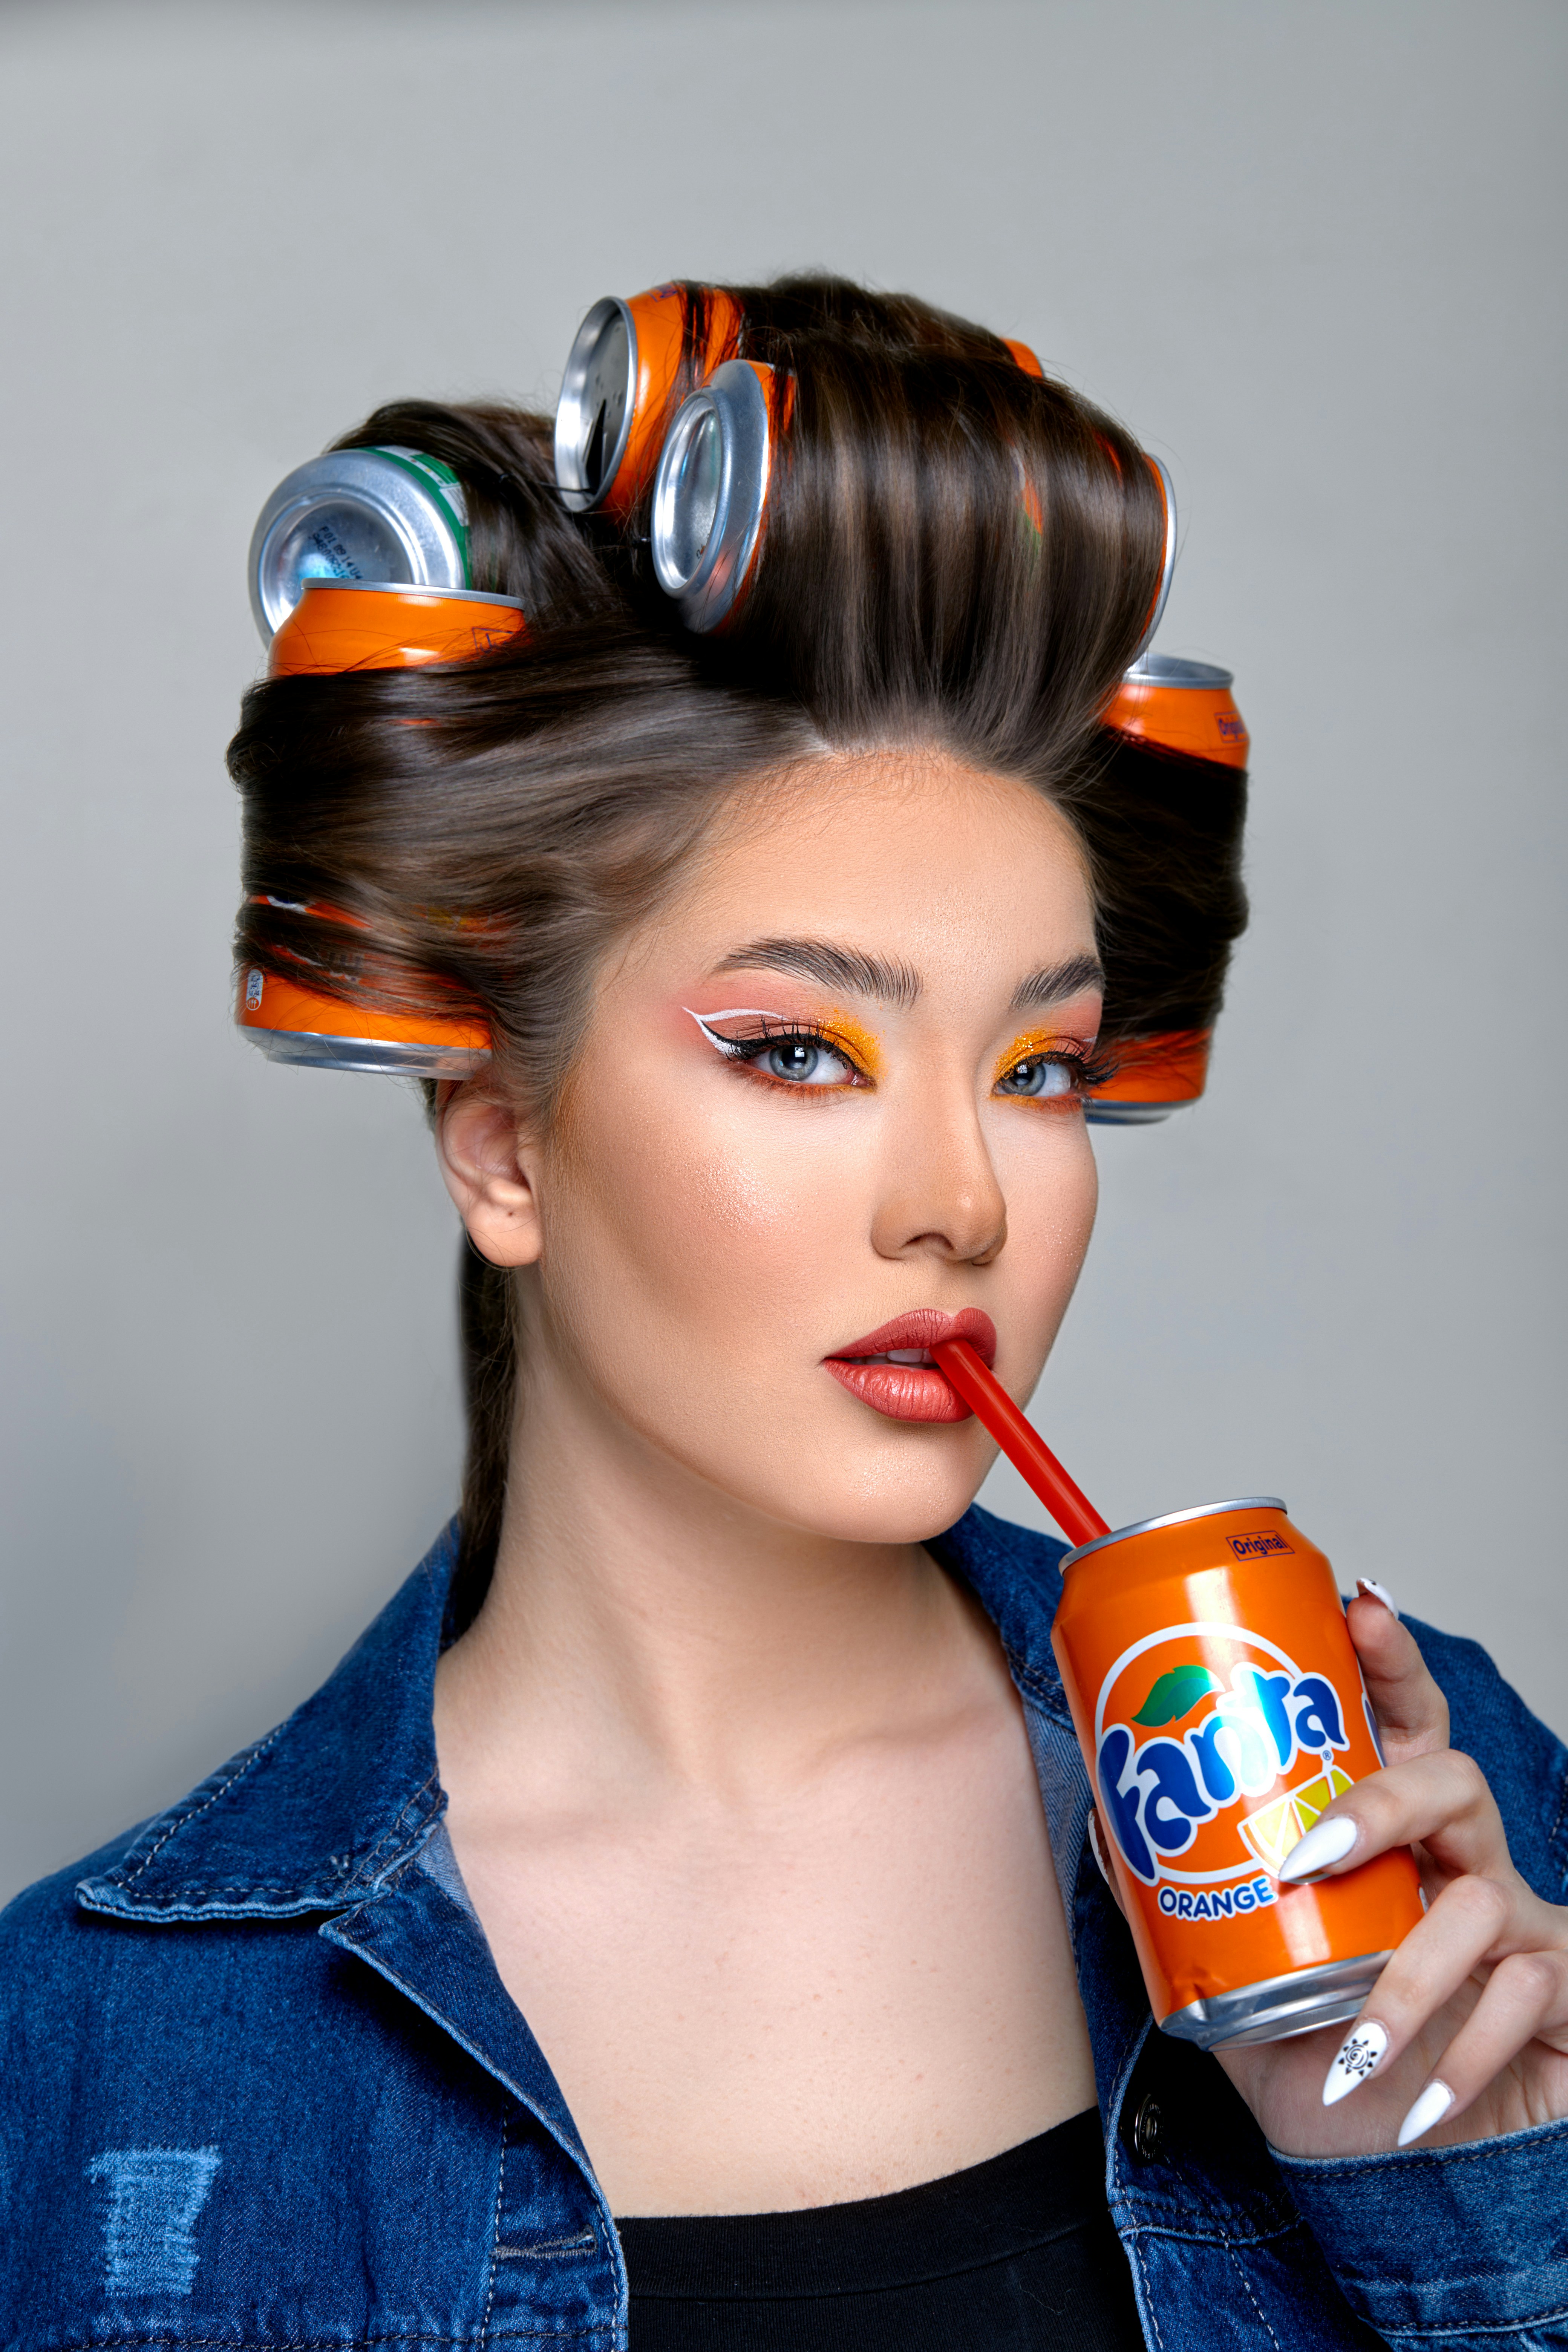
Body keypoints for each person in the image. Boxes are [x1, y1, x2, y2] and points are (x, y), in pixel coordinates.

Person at [2, 278, 1564, 2351]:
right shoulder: (109, 2042)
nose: (964, 1202)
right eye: (799, 1051)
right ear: (506, 1152)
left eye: (1042, 1071)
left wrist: (1467, 2206)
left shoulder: (1423, 1813)